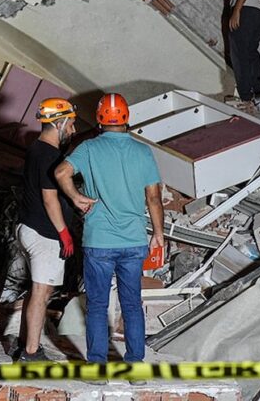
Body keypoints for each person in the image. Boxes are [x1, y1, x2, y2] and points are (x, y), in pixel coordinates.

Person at [54, 93, 164, 364]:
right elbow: (153, 197)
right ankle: (135, 366)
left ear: (100, 119)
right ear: (127, 118)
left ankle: (97, 367)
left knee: (97, 307)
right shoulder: (142, 151)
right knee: (132, 306)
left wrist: (74, 197)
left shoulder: (89, 148)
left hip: (99, 240)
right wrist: (158, 234)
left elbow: (60, 173)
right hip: (133, 241)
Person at [16, 98, 77, 362]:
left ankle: (24, 343)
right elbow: (49, 198)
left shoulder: (36, 149)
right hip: (45, 234)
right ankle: (31, 352)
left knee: (36, 292)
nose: (72, 131)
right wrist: (64, 232)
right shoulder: (50, 156)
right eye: (71, 125)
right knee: (41, 294)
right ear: (60, 122)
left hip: (28, 227)